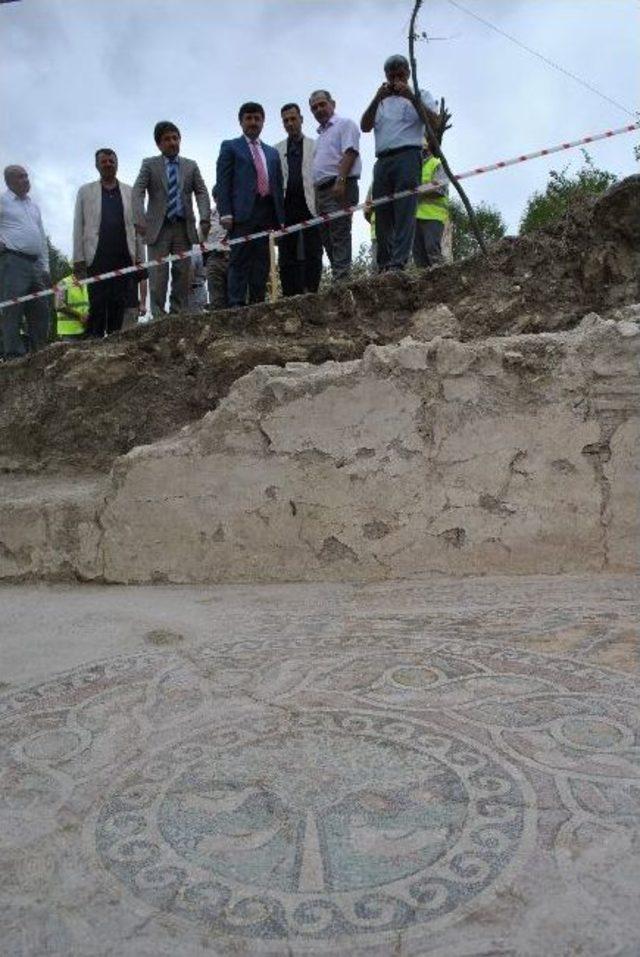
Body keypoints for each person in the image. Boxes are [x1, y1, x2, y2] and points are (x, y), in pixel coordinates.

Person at [361, 54, 440, 273]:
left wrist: (411, 96)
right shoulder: (382, 101)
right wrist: (377, 97)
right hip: (383, 160)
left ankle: (398, 263)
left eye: (400, 75)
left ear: (408, 74)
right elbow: (365, 125)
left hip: (408, 156)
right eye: (391, 76)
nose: (396, 80)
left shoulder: (421, 94)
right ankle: (385, 263)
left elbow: (434, 122)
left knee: (405, 210)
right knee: (382, 212)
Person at [133, 121, 211, 319]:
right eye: (167, 139)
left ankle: (178, 314)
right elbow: (137, 192)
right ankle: (159, 316)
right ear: (159, 144)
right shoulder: (149, 164)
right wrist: (139, 218)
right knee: (158, 275)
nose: (172, 142)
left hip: (183, 228)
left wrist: (204, 217)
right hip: (157, 229)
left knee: (182, 273)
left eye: (175, 138)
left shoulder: (191, 166)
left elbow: (201, 191)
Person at [215, 102, 284, 308]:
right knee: (239, 259)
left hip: (267, 213)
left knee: (262, 262)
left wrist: (280, 219)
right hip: (241, 214)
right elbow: (223, 181)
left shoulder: (272, 153)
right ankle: (236, 304)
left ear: (263, 121)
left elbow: (278, 186)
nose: (253, 122)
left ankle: (257, 303)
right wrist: (225, 212)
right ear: (241, 122)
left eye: (257, 118)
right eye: (249, 118)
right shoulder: (230, 146)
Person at [73, 148, 144, 338]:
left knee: (118, 303)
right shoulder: (85, 191)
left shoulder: (130, 192)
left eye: (111, 161)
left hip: (123, 256)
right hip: (96, 256)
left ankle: (113, 342)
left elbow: (137, 228)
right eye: (103, 162)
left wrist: (139, 258)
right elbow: (78, 226)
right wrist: (78, 259)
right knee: (97, 303)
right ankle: (94, 343)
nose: (108, 164)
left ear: (117, 164)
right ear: (97, 165)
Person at [309, 90, 361, 282]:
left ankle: (341, 280)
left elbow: (351, 151)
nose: (319, 109)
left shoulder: (344, 124)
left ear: (333, 103)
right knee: (326, 237)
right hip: (321, 190)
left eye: (322, 104)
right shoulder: (321, 135)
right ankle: (340, 276)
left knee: (339, 232)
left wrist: (341, 180)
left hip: (339, 185)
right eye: (314, 107)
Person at [0, 165, 50, 359]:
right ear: (9, 181)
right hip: (12, 261)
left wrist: (45, 266)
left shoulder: (33, 205)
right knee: (12, 309)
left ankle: (40, 352)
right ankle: (13, 355)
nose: (26, 180)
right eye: (21, 177)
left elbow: (41, 236)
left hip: (35, 264)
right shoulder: (3, 201)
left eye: (27, 176)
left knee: (41, 309)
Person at [275, 103, 322, 296]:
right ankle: (289, 293)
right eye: (286, 120)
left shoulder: (314, 145)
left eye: (293, 119)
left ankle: (312, 289)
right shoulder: (276, 149)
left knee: (314, 249)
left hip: (310, 204)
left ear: (301, 120)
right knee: (287, 252)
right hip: (287, 207)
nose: (290, 123)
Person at [413, 141, 450, 268]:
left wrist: (417, 190)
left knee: (432, 250)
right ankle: (425, 285)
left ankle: (443, 277)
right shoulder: (414, 168)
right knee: (418, 255)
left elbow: (440, 189)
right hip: (414, 217)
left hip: (433, 216)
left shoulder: (437, 163)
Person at [206, 190, 229, 311]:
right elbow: (200, 239)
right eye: (218, 197)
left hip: (233, 259)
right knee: (217, 302)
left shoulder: (237, 211)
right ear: (214, 199)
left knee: (234, 300)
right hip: (214, 259)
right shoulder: (209, 215)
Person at [55, 273, 89, 341]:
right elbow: (59, 305)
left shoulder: (87, 282)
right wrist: (79, 316)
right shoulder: (63, 283)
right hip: (69, 333)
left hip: (85, 330)